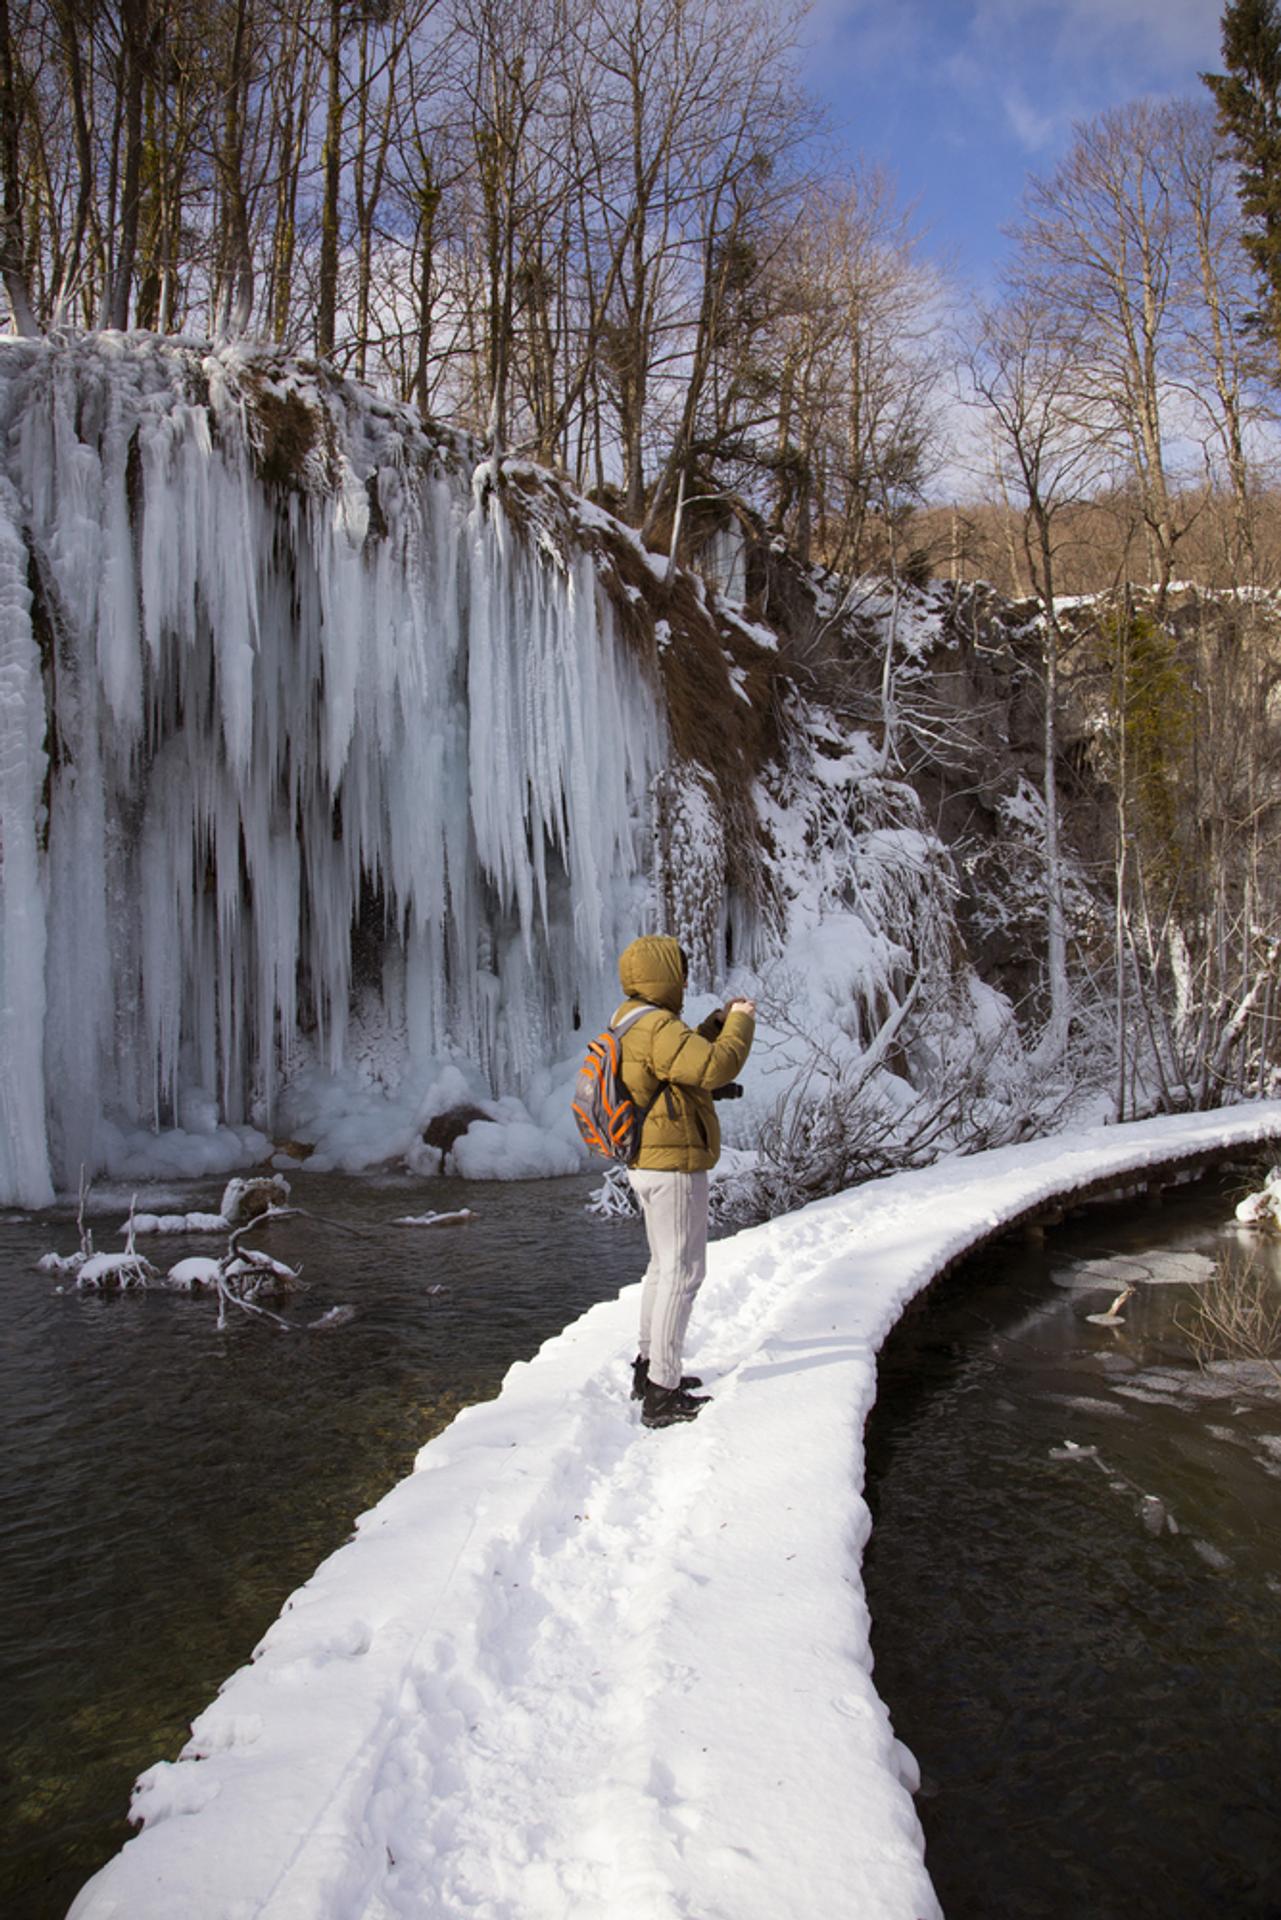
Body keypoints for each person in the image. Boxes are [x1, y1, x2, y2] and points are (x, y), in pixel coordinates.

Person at [612, 934, 756, 1429]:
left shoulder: (633, 1018)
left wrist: (713, 1024)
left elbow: (679, 1059)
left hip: (648, 1161)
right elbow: (715, 1066)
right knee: (684, 1273)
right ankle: (663, 1394)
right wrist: (739, 1022)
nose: (686, 979)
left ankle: (649, 1368)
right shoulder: (657, 1025)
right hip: (672, 1166)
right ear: (665, 976)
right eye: (680, 970)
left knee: (662, 1268)